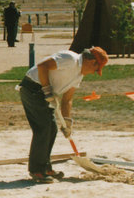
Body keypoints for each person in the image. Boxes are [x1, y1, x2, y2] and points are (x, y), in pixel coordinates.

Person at [18, 46, 108, 183]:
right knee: (43, 128)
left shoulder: (79, 75)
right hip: (32, 88)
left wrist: (67, 122)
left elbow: (67, 99)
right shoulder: (70, 58)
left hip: (44, 94)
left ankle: (46, 167)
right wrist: (47, 89)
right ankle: (37, 171)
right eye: (96, 69)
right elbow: (43, 66)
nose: (94, 72)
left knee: (52, 128)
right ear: (92, 61)